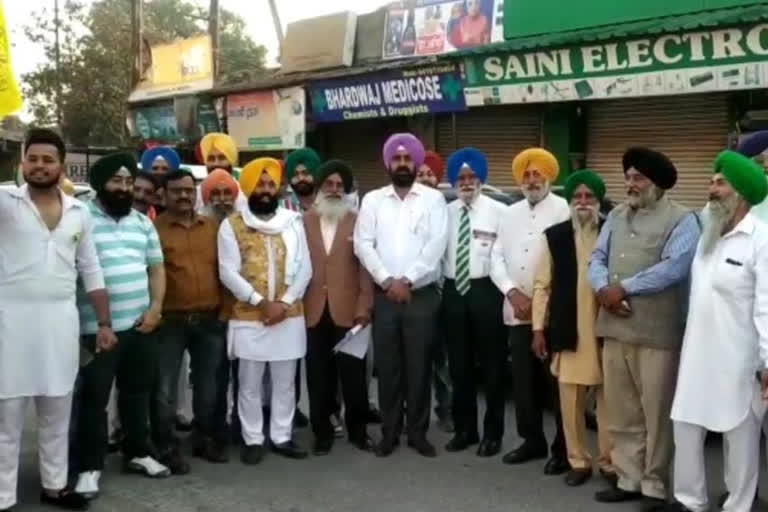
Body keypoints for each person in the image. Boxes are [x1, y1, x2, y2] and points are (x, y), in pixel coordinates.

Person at [0, 129, 114, 512]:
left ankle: (54, 486)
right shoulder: (5, 202)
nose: (40, 166)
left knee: (56, 411)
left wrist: (104, 323)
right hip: (10, 327)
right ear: (23, 163)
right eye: (33, 159)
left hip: (60, 326)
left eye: (48, 160)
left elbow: (91, 269)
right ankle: (3, 496)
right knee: (7, 419)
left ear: (60, 166)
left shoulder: (80, 212)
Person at [589, 147, 700, 509]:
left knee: (656, 414)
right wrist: (603, 289)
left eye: (638, 178)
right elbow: (597, 258)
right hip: (615, 329)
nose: (630, 184)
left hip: (656, 334)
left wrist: (624, 288)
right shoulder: (616, 215)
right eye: (628, 178)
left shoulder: (682, 219)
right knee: (623, 412)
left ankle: (654, 485)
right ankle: (628, 478)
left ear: (656, 183)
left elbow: (675, 266)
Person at [663, 151, 768, 512]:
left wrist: (767, 363)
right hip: (697, 354)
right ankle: (689, 500)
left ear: (740, 193)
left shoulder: (761, 240)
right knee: (687, 425)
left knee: (740, 435)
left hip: (740, 358)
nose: (711, 189)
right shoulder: (707, 233)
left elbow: (766, 306)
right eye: (712, 181)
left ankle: (739, 504)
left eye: (720, 183)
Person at [73, 153, 170, 501]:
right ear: (101, 183)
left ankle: (137, 453)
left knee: (136, 394)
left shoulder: (142, 222)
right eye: (117, 181)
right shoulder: (80, 217)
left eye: (129, 182)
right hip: (95, 329)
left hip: (140, 326)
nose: (125, 188)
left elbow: (156, 268)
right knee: (94, 400)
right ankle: (89, 467)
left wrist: (156, 308)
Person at [354, 133, 448, 458]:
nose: (403, 163)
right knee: (389, 369)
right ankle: (390, 432)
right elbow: (363, 244)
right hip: (385, 297)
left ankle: (418, 433)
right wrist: (386, 280)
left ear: (417, 162)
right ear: (388, 163)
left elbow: (437, 245)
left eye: (409, 159)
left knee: (419, 367)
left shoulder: (433, 200)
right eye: (398, 158)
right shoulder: (373, 200)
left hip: (420, 295)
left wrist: (407, 280)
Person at [218, 158, 312, 464]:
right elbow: (227, 272)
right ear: (248, 186)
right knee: (249, 383)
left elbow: (306, 269)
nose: (266, 189)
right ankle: (253, 438)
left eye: (271, 184)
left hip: (288, 315)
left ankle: (282, 436)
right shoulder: (232, 224)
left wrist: (283, 305)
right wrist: (262, 303)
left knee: (285, 381)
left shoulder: (292, 221)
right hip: (250, 315)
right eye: (260, 183)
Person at [531, 170, 614, 487]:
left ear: (598, 201)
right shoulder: (555, 236)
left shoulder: (612, 231)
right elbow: (542, 286)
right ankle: (578, 461)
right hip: (569, 330)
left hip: (607, 331)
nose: (582, 202)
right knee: (570, 403)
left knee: (610, 404)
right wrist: (538, 329)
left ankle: (610, 462)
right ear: (569, 202)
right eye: (576, 197)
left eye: (588, 197)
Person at [491, 148, 570, 472]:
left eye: (537, 173)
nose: (532, 179)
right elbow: (495, 256)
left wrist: (539, 303)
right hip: (516, 311)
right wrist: (510, 290)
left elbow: (564, 263)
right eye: (526, 174)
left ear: (549, 176)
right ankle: (531, 440)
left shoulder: (562, 209)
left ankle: (563, 450)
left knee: (555, 385)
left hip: (549, 314)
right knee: (523, 383)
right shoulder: (510, 213)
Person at [151, 169, 229, 475]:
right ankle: (165, 445)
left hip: (209, 319)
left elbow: (224, 269)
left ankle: (204, 438)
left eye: (188, 190)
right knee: (166, 387)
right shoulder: (155, 229)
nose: (183, 195)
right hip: (170, 321)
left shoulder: (211, 227)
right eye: (176, 191)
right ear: (164, 194)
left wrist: (224, 310)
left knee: (208, 385)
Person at [303, 160, 375, 456]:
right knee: (318, 377)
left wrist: (364, 307)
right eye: (328, 185)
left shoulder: (358, 221)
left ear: (346, 191)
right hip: (314, 311)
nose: (333, 190)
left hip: (350, 311)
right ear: (319, 189)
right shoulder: (303, 220)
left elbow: (365, 269)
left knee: (353, 377)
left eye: (339, 186)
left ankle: (358, 431)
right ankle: (322, 433)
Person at [441, 148, 506, 457]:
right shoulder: (446, 211)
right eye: (461, 177)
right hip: (454, 292)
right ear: (454, 181)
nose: (466, 182)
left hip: (487, 291)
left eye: (472, 176)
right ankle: (465, 430)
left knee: (492, 367)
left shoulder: (499, 211)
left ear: (481, 178)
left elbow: (503, 255)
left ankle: (493, 434)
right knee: (459, 367)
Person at [415, 150, 453, 434]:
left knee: (444, 359)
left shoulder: (449, 208)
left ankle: (447, 411)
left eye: (430, 174)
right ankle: (413, 415)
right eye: (421, 173)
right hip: (417, 292)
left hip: (445, 293)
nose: (426, 178)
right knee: (414, 360)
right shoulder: (407, 209)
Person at [197, 133, 247, 212]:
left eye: (222, 158)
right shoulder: (196, 195)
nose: (216, 163)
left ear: (231, 161)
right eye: (211, 158)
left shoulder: (245, 193)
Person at [283, 148, 322, 213]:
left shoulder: (328, 204)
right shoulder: (282, 207)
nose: (301, 178)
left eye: (305, 173)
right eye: (295, 174)